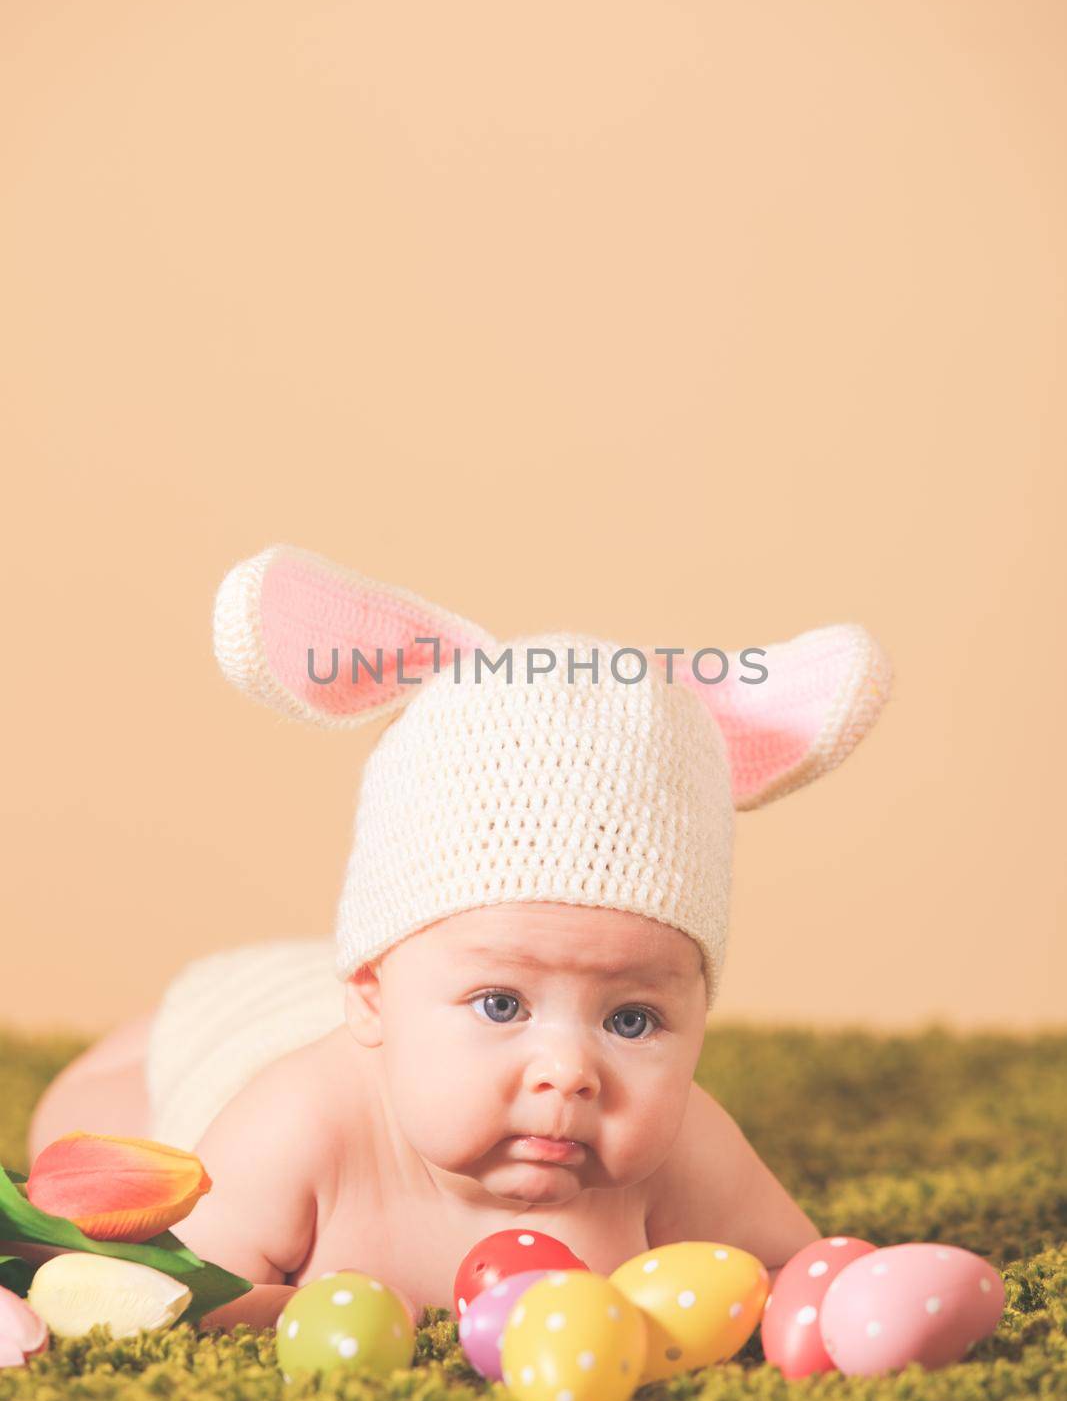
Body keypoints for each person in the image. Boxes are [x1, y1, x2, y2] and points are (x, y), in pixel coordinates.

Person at [28, 544, 893, 1329]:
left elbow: (796, 1270)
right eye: (501, 1004)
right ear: (370, 993)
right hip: (235, 1019)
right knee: (88, 1148)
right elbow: (180, 1290)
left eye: (631, 1020)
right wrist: (309, 1313)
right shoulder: (300, 1124)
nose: (569, 1072)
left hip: (371, 987)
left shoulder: (683, 1151)